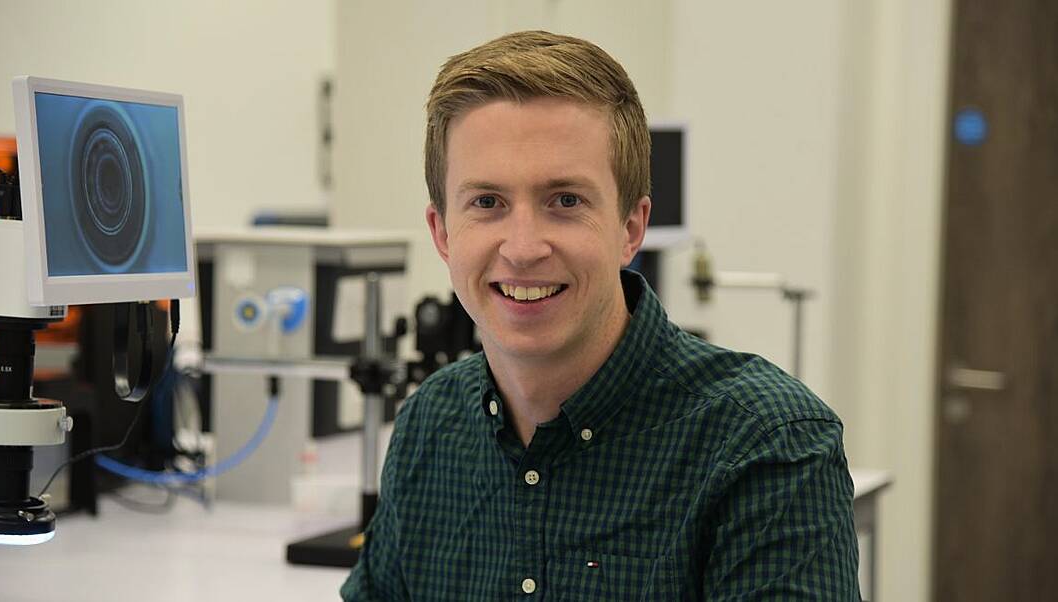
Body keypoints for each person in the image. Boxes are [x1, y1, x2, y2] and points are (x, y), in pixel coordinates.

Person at [342, 30, 859, 601]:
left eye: (565, 201)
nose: (522, 247)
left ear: (631, 229)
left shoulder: (765, 445)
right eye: (487, 203)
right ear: (442, 233)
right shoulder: (430, 427)